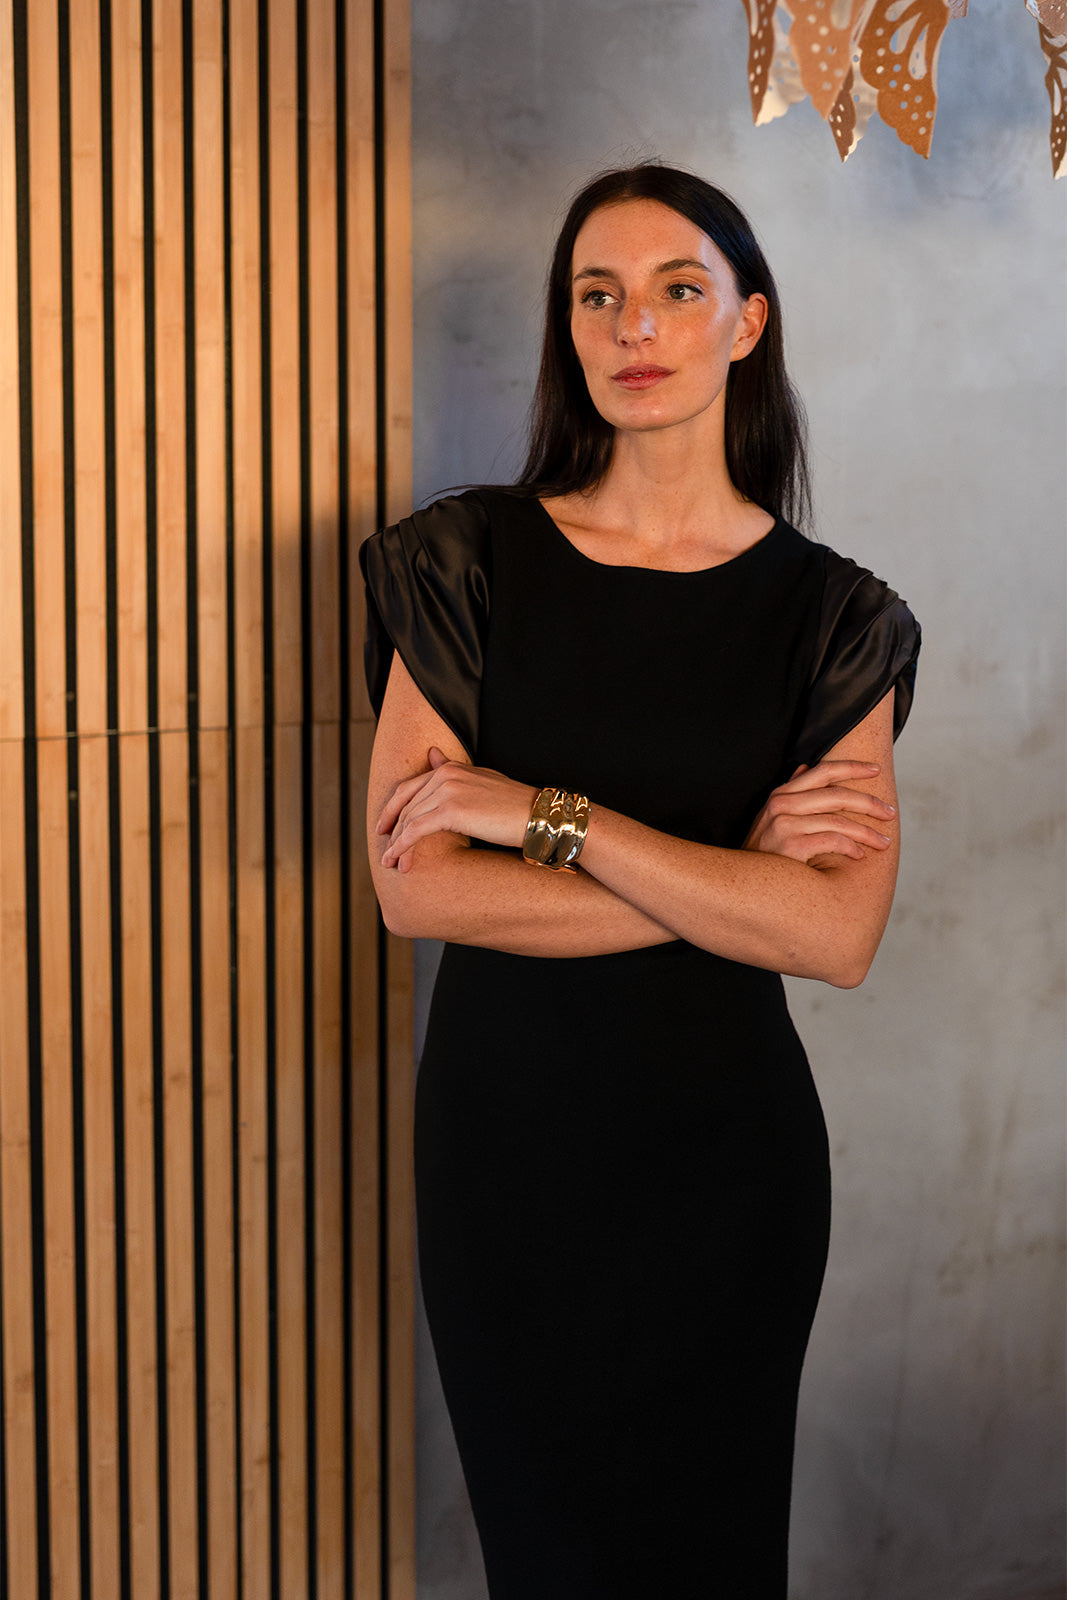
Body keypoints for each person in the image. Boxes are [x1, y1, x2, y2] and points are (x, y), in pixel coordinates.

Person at [360, 163, 919, 1599]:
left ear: (748, 324)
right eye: (596, 295)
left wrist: (549, 819)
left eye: (678, 289)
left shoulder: (836, 620)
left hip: (725, 1172)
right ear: (567, 326)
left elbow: (838, 936)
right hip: (508, 1166)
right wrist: (732, 888)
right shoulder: (463, 564)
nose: (635, 327)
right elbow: (419, 889)